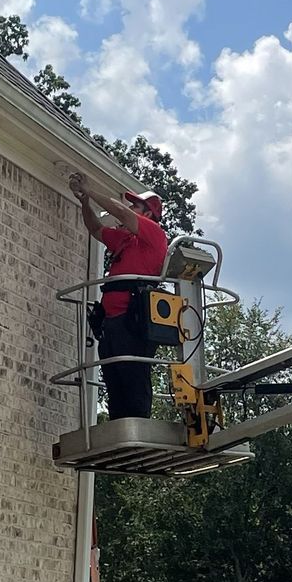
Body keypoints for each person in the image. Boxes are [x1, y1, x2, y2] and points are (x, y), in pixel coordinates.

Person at [69, 174, 171, 420]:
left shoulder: (154, 234)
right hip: (112, 322)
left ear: (147, 214)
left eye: (135, 206)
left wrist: (90, 190)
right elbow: (95, 229)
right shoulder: (125, 241)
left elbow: (121, 213)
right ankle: (120, 427)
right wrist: (85, 202)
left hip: (133, 321)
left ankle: (138, 426)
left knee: (133, 375)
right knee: (114, 377)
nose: (128, 209)